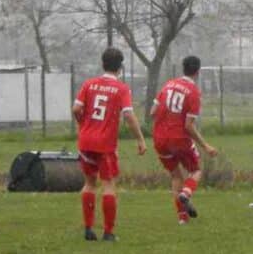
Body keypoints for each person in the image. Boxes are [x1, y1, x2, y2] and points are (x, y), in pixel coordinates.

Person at [72, 47, 147, 241]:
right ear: (120, 67)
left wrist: (83, 124)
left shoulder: (89, 84)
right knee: (108, 185)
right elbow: (128, 115)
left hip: (86, 141)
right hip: (105, 144)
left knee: (89, 183)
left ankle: (88, 229)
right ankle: (108, 232)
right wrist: (140, 139)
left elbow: (76, 109)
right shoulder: (121, 88)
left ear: (102, 64)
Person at [151, 55, 218, 224]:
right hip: (179, 139)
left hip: (160, 139)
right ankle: (186, 193)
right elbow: (188, 125)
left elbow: (152, 112)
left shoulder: (168, 84)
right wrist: (206, 146)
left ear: (183, 68)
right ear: (198, 71)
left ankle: (182, 218)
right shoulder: (193, 92)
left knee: (176, 176)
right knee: (195, 171)